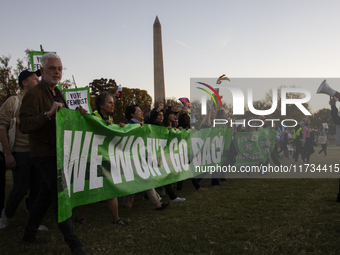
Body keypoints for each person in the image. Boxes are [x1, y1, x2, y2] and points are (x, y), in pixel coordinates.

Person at [19, 53, 89, 255]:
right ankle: (76, 247)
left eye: (59, 68)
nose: (57, 71)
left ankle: (28, 236)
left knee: (45, 196)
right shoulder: (34, 94)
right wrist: (47, 114)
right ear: (42, 71)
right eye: (52, 68)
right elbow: (25, 124)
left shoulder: (58, 93)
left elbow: (65, 119)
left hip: (58, 151)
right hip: (43, 153)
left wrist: (79, 115)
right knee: (59, 196)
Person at [0, 69, 47, 231]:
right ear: (24, 82)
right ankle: (6, 214)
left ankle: (34, 222)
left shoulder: (40, 102)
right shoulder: (13, 102)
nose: (37, 81)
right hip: (20, 153)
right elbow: (2, 128)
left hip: (37, 152)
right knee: (20, 189)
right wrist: (8, 154)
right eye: (34, 78)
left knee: (37, 188)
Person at [75, 92, 127, 225]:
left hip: (105, 159)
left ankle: (116, 219)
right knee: (89, 190)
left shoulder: (110, 119)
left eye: (113, 102)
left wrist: (119, 129)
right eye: (110, 102)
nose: (112, 105)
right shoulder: (92, 117)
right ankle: (80, 217)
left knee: (111, 188)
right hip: (92, 159)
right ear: (100, 105)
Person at [122, 104, 170, 210]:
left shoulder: (141, 124)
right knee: (145, 177)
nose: (141, 112)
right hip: (132, 158)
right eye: (139, 111)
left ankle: (127, 203)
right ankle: (157, 203)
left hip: (138, 157)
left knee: (133, 180)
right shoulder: (128, 125)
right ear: (132, 114)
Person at [147, 103, 185, 202]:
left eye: (162, 115)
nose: (161, 117)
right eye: (159, 115)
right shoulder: (150, 125)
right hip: (150, 155)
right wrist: (158, 109)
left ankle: (171, 196)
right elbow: (150, 120)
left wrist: (177, 131)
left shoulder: (163, 126)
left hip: (160, 155)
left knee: (163, 174)